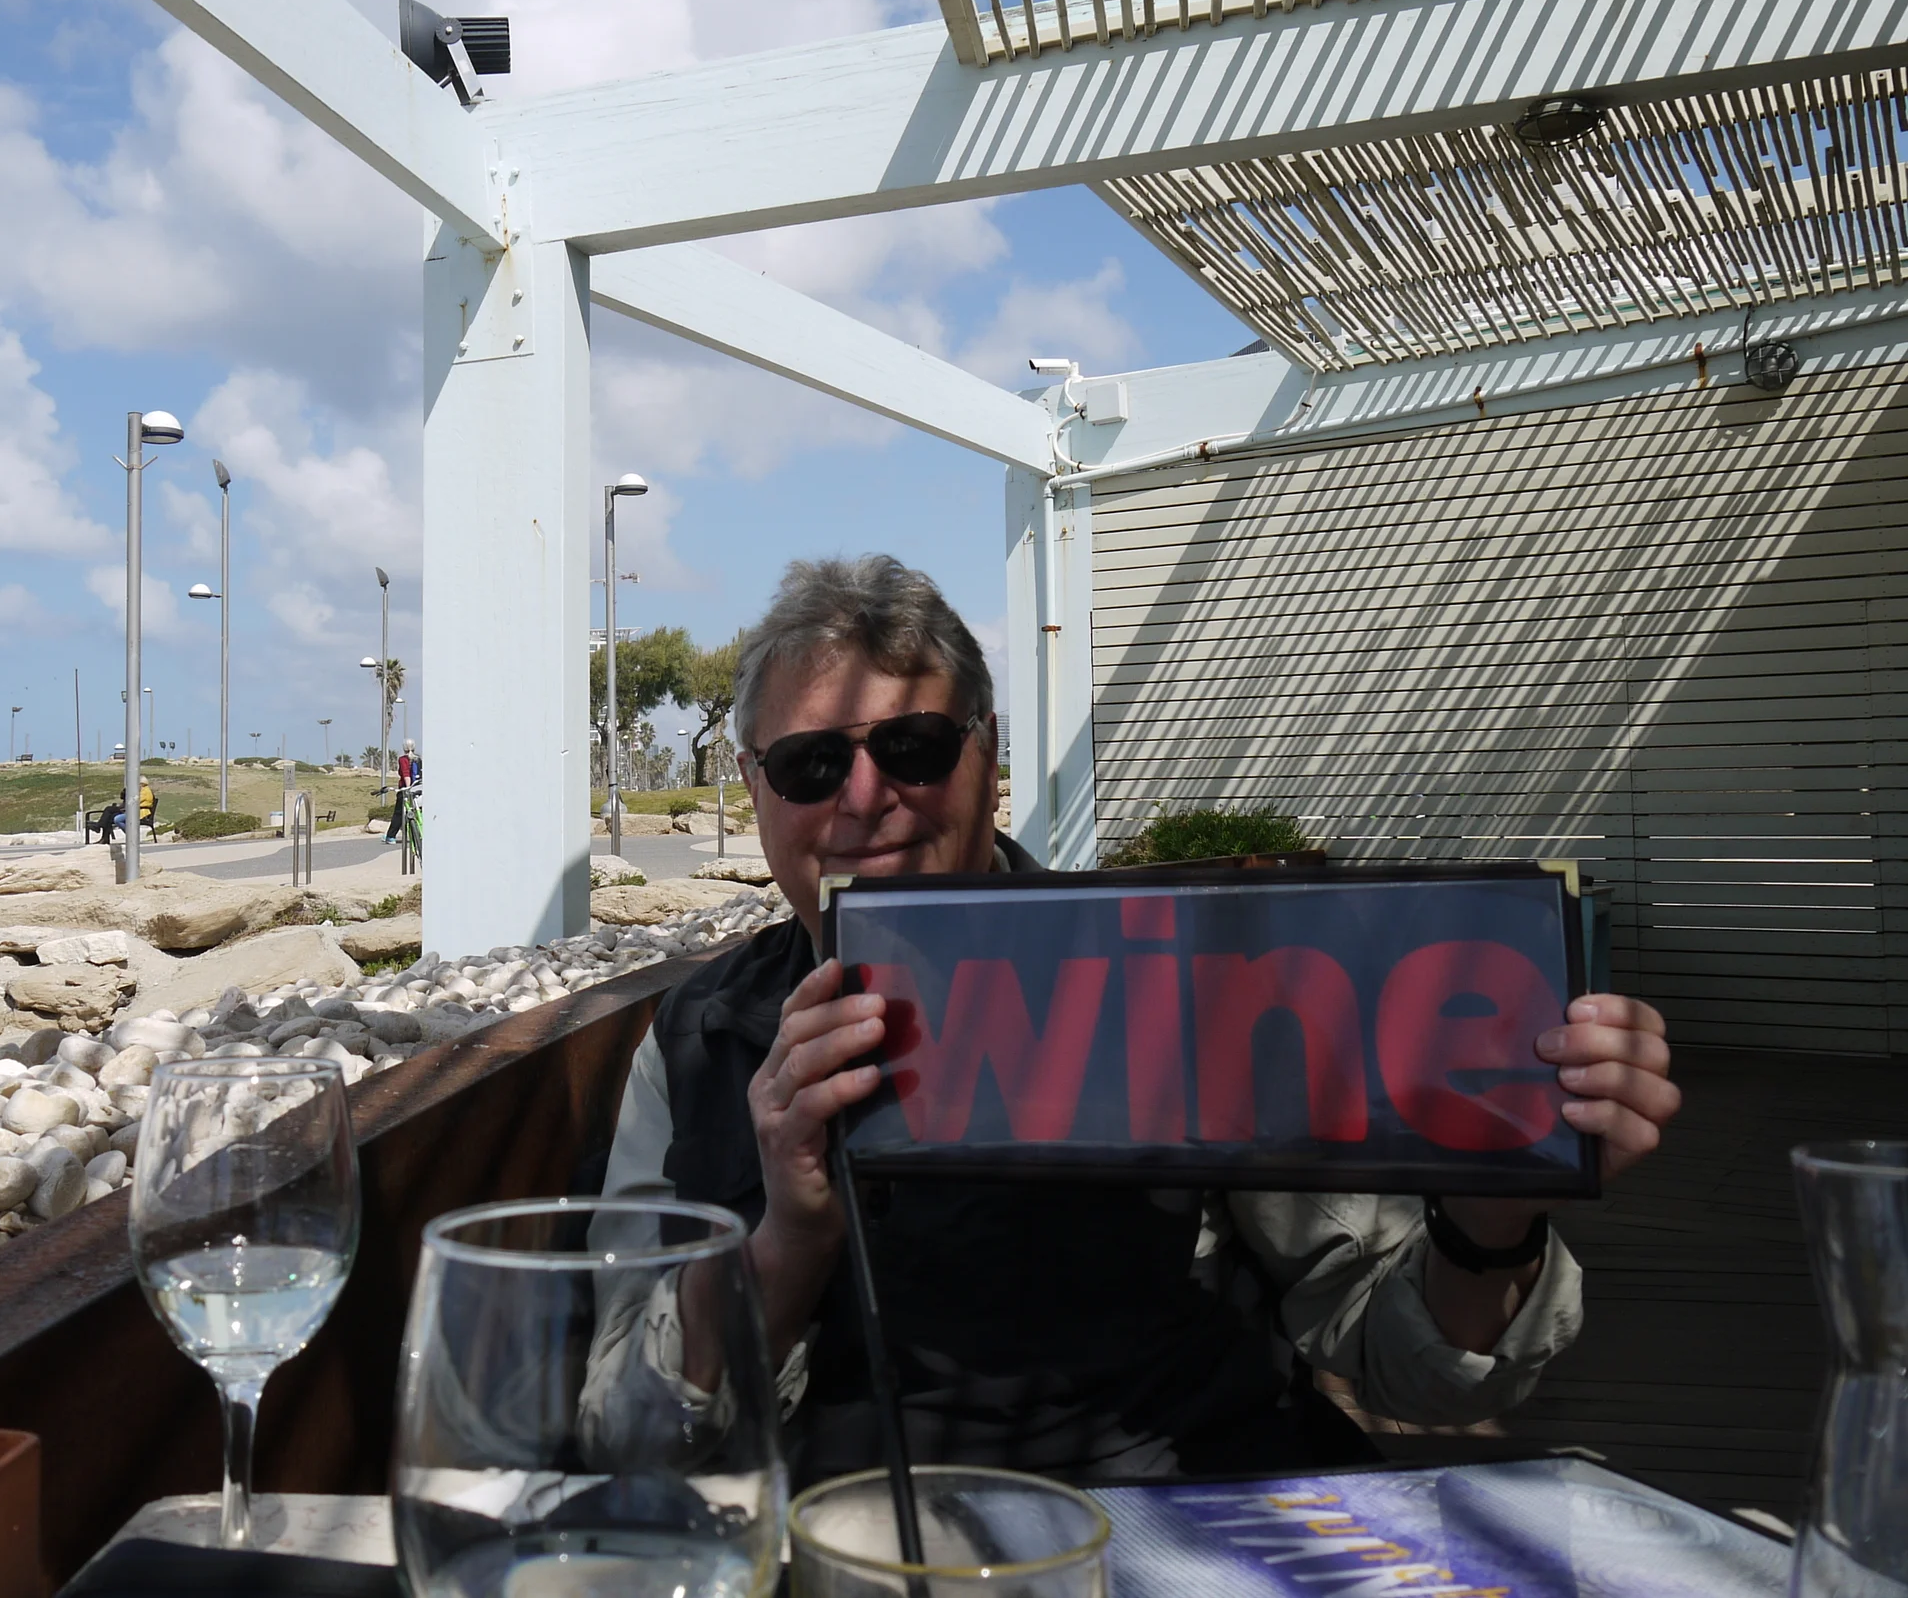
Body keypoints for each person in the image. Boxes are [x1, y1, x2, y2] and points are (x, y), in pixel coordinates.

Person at [586, 555, 1681, 1484]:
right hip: (857, 1547)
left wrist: (1491, 1216)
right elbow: (628, 1433)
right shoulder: (699, 1043)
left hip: (1180, 1520)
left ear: (986, 755)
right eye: (810, 764)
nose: (864, 798)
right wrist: (788, 1237)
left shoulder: (1168, 970)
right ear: (755, 786)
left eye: (912, 747)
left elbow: (1408, 1365)